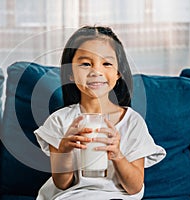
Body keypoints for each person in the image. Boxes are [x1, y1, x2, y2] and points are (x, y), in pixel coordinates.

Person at [34, 26, 166, 200]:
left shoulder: (132, 122)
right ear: (71, 74)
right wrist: (64, 150)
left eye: (107, 63)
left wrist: (117, 154)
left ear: (118, 73)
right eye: (86, 64)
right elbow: (62, 183)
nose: (96, 71)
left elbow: (134, 187)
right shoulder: (60, 121)